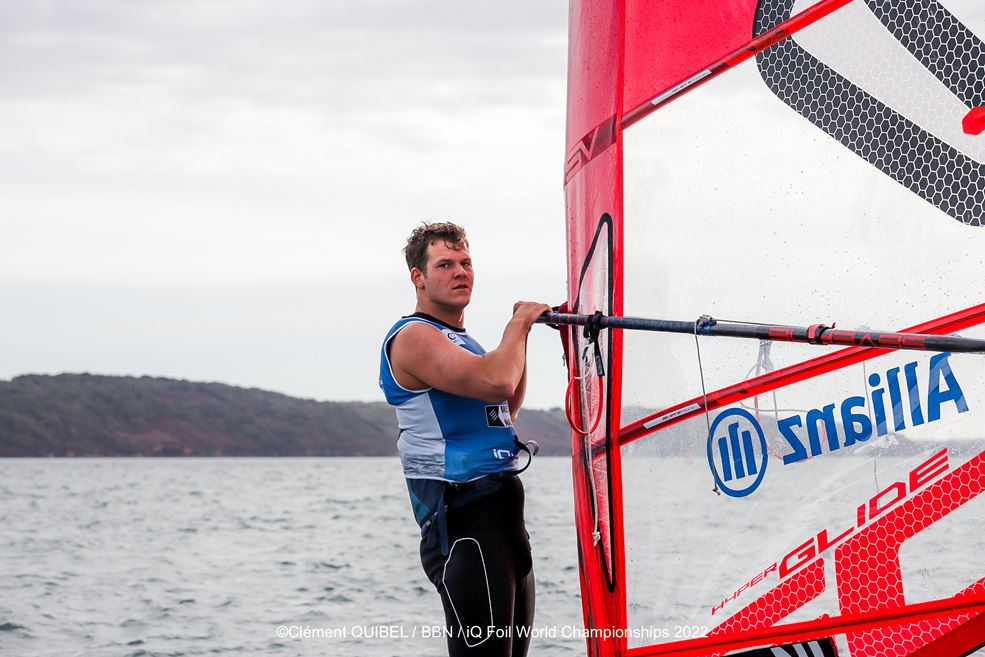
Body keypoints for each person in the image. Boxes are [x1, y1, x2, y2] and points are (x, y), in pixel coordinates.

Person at [379, 221, 550, 657]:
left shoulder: (465, 343)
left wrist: (521, 337)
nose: (460, 272)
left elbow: (502, 407)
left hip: (504, 520)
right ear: (418, 277)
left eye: (466, 262)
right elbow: (496, 379)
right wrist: (519, 324)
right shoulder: (413, 336)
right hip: (464, 523)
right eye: (445, 264)